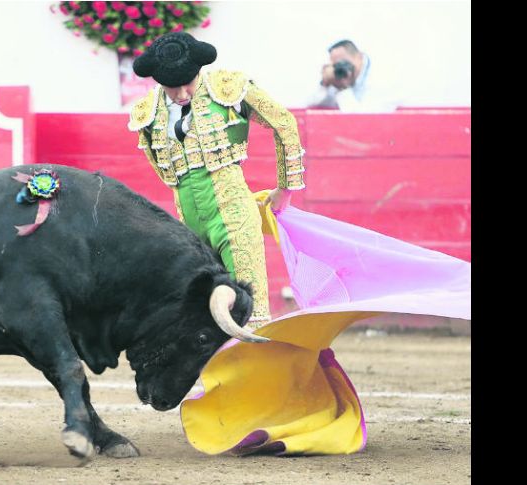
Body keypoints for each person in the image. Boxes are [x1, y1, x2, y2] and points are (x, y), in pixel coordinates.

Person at [128, 32, 306, 329]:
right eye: (174, 87)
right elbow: (162, 168)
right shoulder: (148, 112)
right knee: (201, 314)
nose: (183, 93)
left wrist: (285, 189)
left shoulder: (229, 88)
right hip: (189, 221)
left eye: (190, 82)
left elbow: (284, 122)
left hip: (233, 211)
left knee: (251, 311)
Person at [307, 39, 396, 113]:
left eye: (344, 63)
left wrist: (343, 88)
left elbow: (363, 119)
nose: (342, 68)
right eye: (337, 65)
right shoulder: (338, 76)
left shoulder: (380, 79)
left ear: (359, 57)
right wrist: (324, 84)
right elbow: (311, 107)